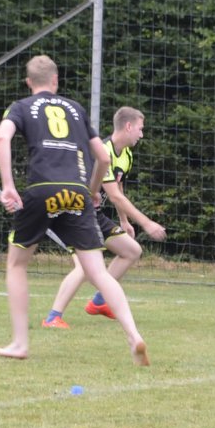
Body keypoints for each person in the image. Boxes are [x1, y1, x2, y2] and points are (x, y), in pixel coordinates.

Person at [0, 55, 149, 365]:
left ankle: (20, 343)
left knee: (17, 264)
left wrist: (8, 185)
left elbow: (2, 137)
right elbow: (103, 158)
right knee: (98, 272)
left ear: (29, 82)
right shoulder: (75, 108)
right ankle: (133, 335)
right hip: (77, 192)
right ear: (56, 80)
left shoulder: (21, 107)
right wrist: (92, 191)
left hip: (41, 189)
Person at [42, 106, 166, 328]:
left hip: (93, 214)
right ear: (128, 126)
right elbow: (115, 195)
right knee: (84, 266)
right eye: (140, 129)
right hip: (74, 213)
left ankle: (99, 302)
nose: (141, 134)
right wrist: (146, 223)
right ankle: (52, 317)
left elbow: (119, 188)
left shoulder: (126, 155)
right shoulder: (103, 150)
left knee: (131, 250)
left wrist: (124, 221)